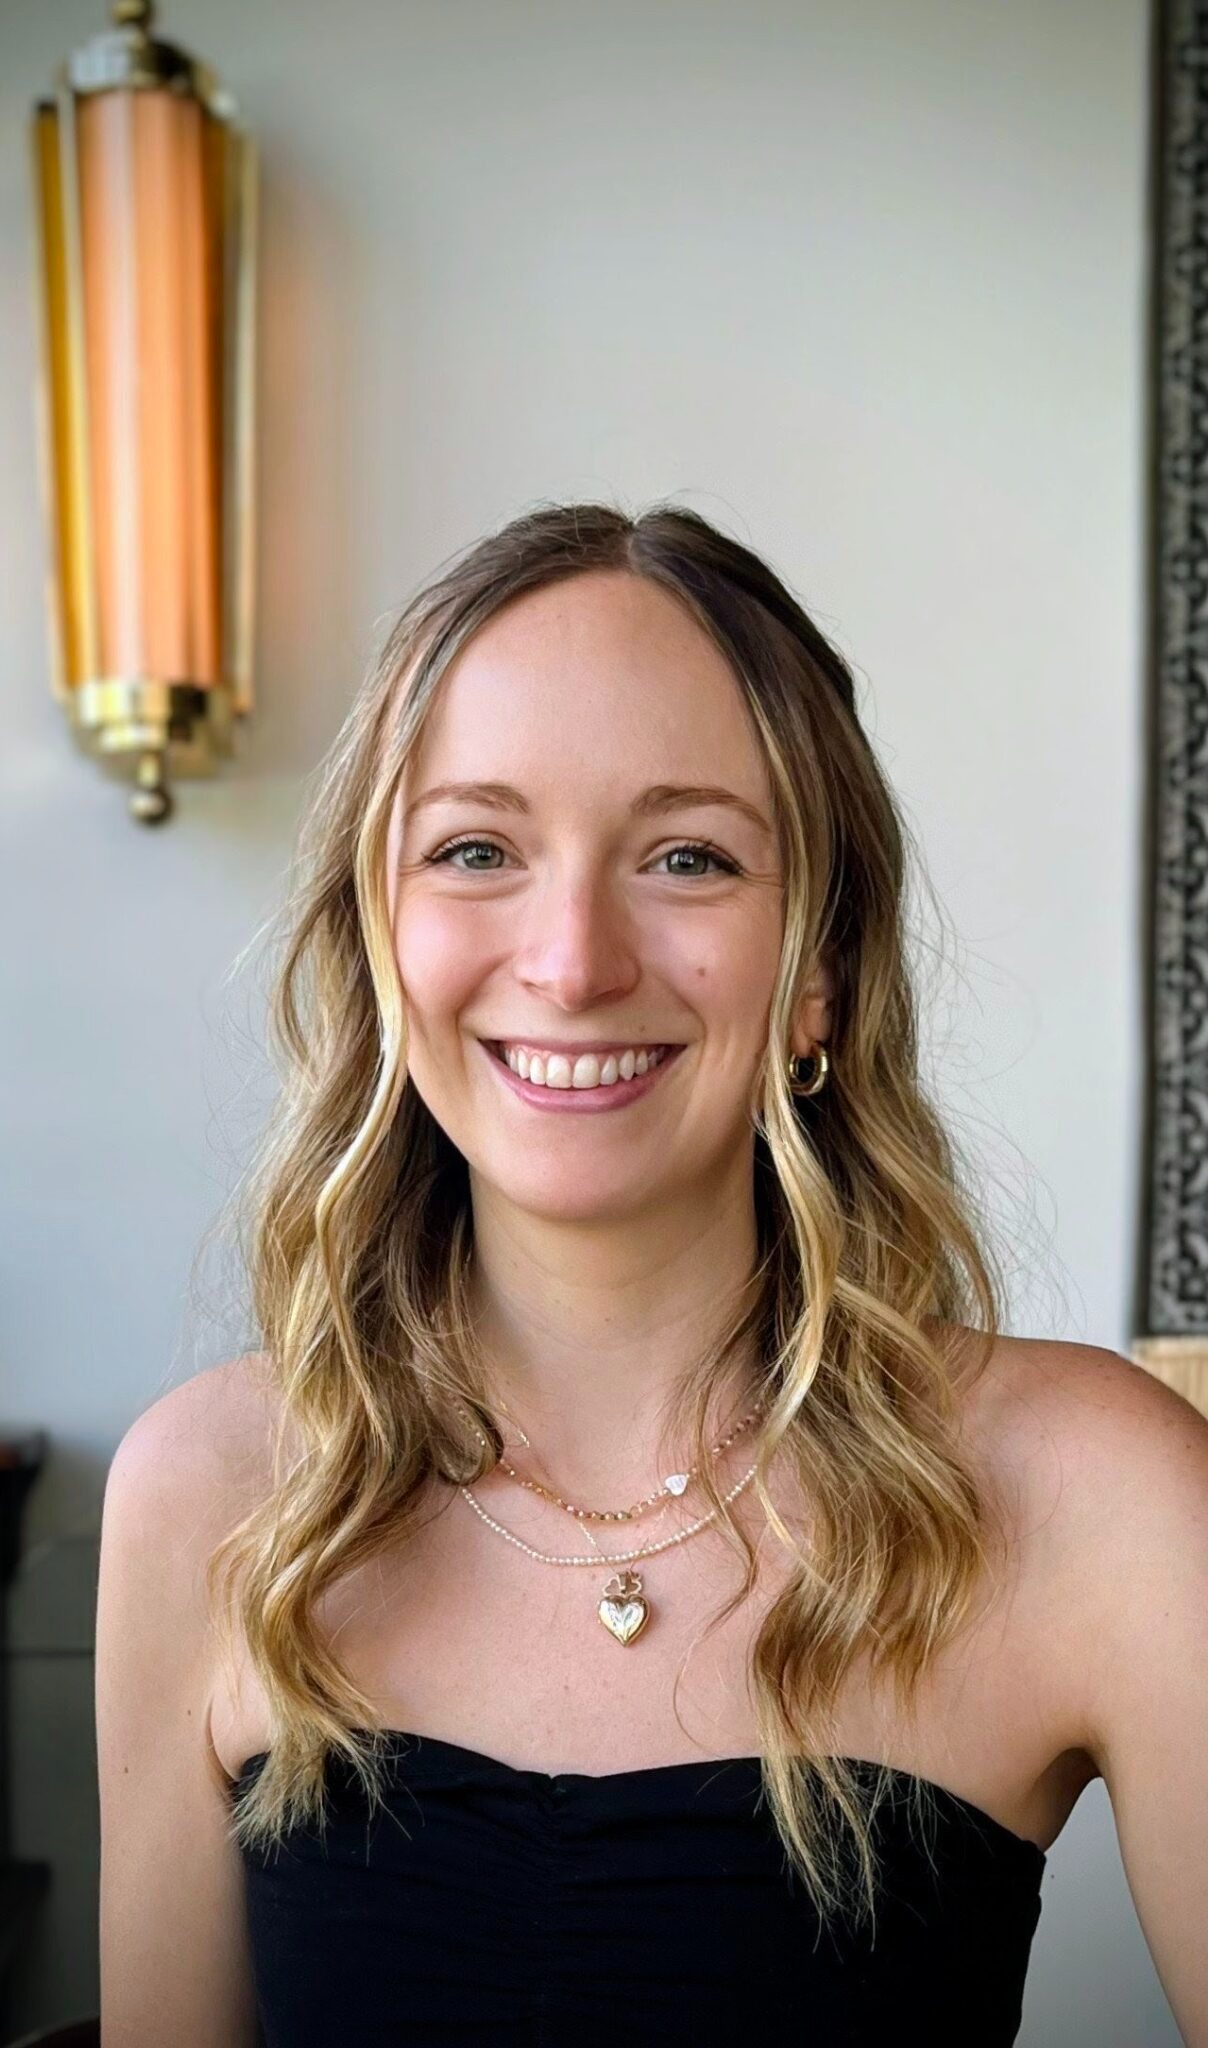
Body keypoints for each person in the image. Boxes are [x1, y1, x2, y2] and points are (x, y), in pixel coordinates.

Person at [95, 501, 1208, 2046]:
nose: (573, 961)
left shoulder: (1101, 1493)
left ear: (822, 974)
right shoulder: (208, 1493)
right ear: (380, 939)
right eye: (476, 850)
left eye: (689, 857)